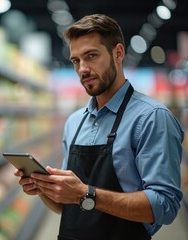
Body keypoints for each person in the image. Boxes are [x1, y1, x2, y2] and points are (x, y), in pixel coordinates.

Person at [14, 14, 184, 240]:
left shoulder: (152, 118)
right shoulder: (74, 122)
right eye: (76, 61)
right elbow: (71, 206)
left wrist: (86, 193)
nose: (82, 69)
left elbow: (165, 205)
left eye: (91, 56)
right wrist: (43, 188)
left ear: (118, 53)